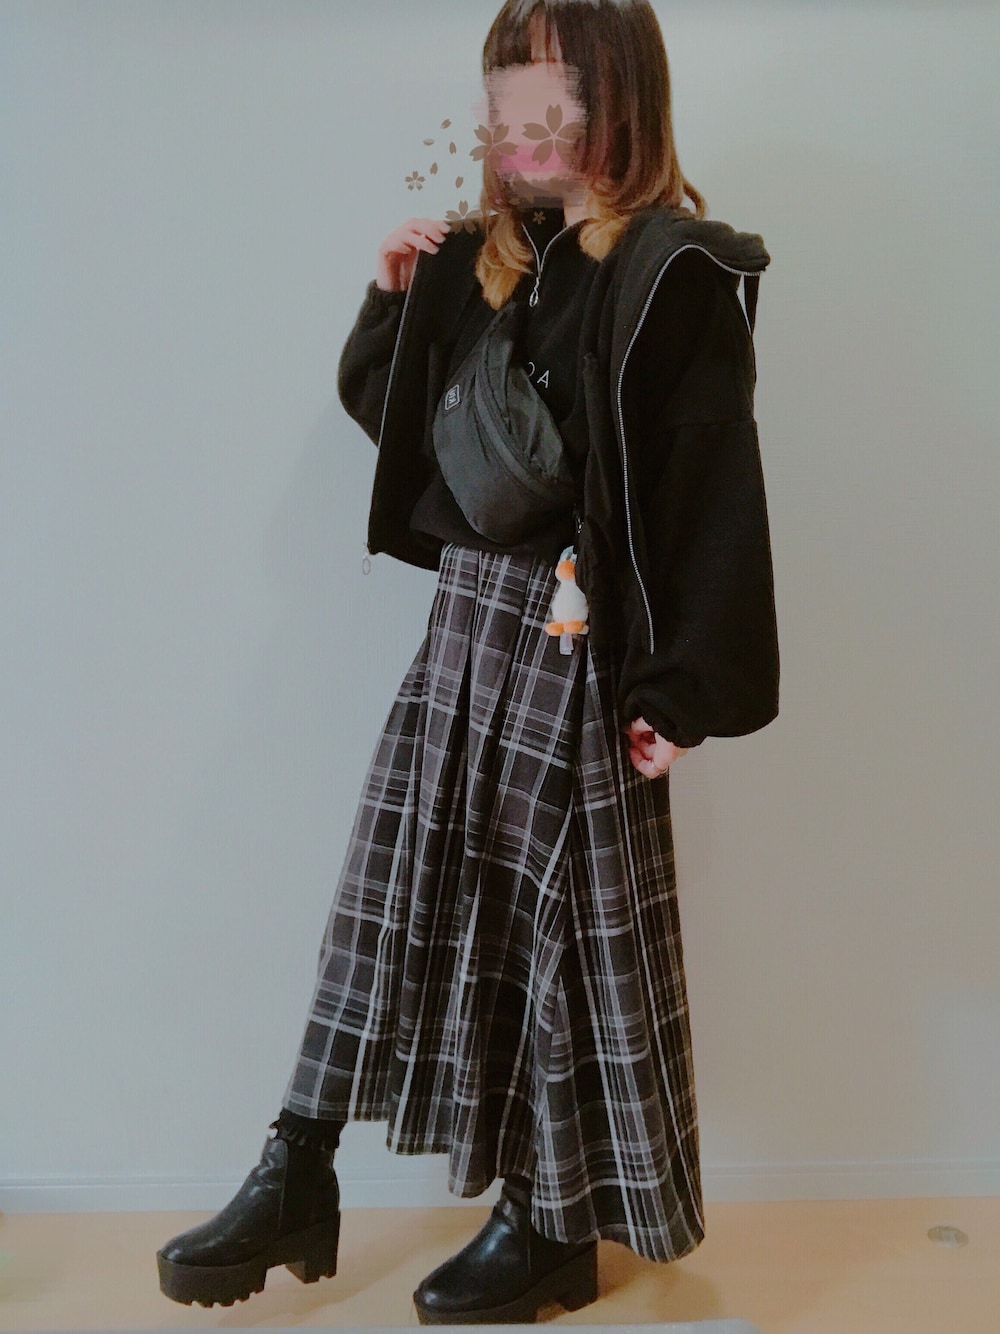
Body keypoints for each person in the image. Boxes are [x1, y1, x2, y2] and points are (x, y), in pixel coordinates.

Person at [157, 0, 779, 1323]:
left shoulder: (673, 272)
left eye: (549, 90)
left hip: (574, 646)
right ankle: (298, 1159)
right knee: (387, 894)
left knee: (551, 940)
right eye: (506, 93)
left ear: (616, 99)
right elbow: (411, 434)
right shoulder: (488, 259)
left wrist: (680, 692)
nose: (519, 122)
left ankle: (550, 1221)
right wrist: (392, 301)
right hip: (462, 634)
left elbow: (711, 482)